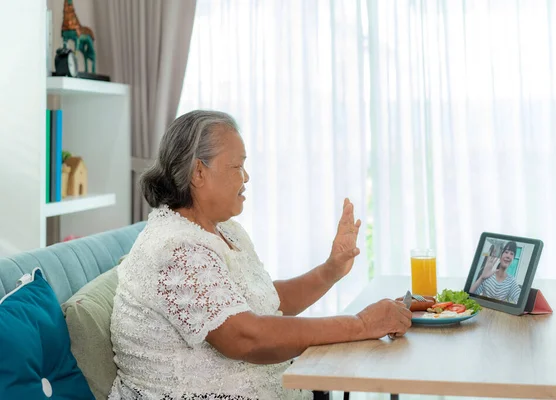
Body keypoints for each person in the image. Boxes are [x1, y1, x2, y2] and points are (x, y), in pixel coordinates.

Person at [108, 110, 412, 400]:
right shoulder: (175, 249)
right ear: (199, 172)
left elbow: (261, 299)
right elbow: (245, 337)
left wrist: (330, 270)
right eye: (237, 166)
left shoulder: (224, 230)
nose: (247, 177)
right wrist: (360, 324)